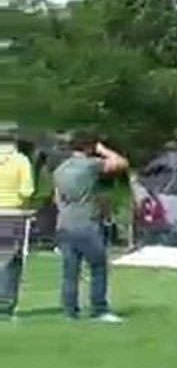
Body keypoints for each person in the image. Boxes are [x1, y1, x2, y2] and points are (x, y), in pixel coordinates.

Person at [52, 132, 128, 322]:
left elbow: (57, 199)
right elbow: (121, 163)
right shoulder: (90, 165)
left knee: (70, 271)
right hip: (86, 223)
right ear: (89, 148)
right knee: (98, 266)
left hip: (64, 224)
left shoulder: (60, 169)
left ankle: (70, 311)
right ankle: (99, 309)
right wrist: (102, 150)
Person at [0, 123, 35, 320]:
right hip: (11, 213)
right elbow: (26, 190)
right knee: (10, 261)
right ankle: (5, 305)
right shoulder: (20, 161)